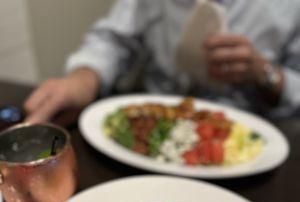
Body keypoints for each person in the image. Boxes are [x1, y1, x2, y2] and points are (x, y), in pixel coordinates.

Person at [24, 0, 300, 123]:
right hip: (151, 122)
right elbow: (114, 38)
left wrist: (266, 74)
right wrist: (82, 79)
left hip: (248, 136)